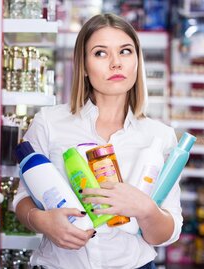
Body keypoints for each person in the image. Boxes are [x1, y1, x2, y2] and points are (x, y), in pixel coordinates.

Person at [13, 13, 182, 269]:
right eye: (101, 53)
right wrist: (42, 221)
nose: (116, 63)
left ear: (137, 60)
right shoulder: (49, 122)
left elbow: (166, 234)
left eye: (125, 51)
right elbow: (22, 199)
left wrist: (145, 209)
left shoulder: (159, 136)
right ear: (82, 65)